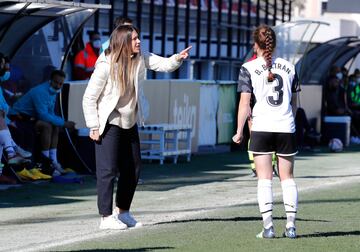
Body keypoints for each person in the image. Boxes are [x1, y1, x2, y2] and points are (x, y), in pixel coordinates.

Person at [83, 25, 191, 230]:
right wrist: (93, 125)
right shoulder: (105, 64)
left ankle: (122, 212)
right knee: (107, 170)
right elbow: (89, 97)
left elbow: (164, 65)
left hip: (129, 121)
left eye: (138, 38)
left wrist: (178, 58)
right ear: (123, 41)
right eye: (134, 39)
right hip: (109, 121)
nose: (138, 42)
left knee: (133, 168)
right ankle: (105, 217)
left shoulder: (141, 58)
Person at [232, 25, 299, 239]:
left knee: (264, 179)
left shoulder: (248, 68)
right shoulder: (290, 67)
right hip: (285, 127)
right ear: (274, 43)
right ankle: (290, 227)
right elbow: (295, 103)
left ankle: (268, 228)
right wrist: (290, 121)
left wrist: (239, 131)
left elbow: (245, 104)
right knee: (287, 178)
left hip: (261, 128)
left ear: (255, 45)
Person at [9, 70, 76, 176]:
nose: (58, 86)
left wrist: (60, 123)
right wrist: (64, 123)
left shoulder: (53, 91)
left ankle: (53, 161)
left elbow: (50, 113)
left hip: (31, 117)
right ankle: (45, 164)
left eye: (61, 84)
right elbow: (43, 115)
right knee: (47, 126)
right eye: (56, 82)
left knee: (55, 125)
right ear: (50, 81)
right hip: (18, 117)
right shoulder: (40, 91)